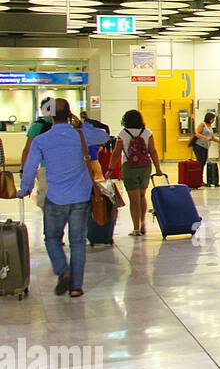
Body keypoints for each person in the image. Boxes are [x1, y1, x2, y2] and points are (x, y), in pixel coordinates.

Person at [17, 99, 110, 298]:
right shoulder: (81, 134)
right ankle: (76, 287)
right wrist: (81, 123)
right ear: (70, 114)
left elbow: (31, 167)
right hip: (80, 197)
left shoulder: (42, 140)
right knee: (77, 242)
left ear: (50, 116)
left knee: (51, 238)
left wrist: (24, 188)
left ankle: (63, 270)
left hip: (55, 197)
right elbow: (104, 136)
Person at [108, 110, 165, 237]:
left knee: (134, 200)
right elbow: (153, 151)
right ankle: (143, 222)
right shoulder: (147, 132)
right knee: (141, 196)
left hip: (129, 167)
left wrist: (110, 170)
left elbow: (116, 153)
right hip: (145, 166)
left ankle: (136, 229)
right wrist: (158, 168)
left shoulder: (122, 134)